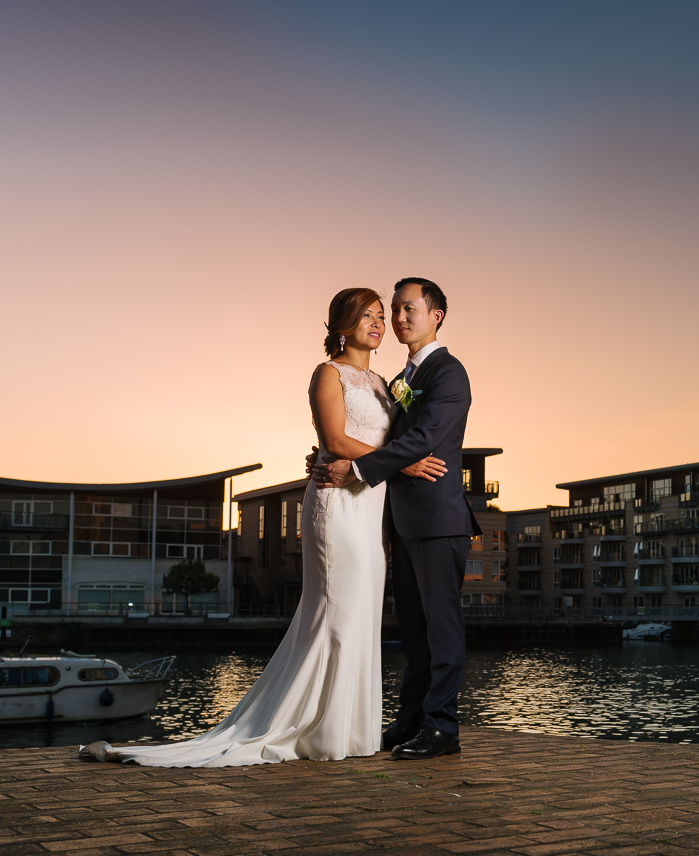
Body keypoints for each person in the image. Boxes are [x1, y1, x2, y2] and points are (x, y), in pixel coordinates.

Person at [79, 287, 443, 767]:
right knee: (335, 614)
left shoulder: (383, 381)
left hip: (369, 509)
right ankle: (315, 727)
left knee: (361, 614)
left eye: (382, 315)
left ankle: (351, 730)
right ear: (340, 324)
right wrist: (401, 466)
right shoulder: (327, 374)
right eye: (367, 315)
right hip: (337, 508)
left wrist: (368, 462)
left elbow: (369, 441)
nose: (378, 323)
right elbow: (334, 438)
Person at [316, 277, 479, 760]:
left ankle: (442, 727)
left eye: (409, 309)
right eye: (394, 310)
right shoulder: (401, 381)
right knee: (413, 630)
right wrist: (328, 454)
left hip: (439, 517)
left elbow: (423, 439)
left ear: (437, 315)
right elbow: (380, 435)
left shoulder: (449, 374)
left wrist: (356, 468)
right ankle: (411, 721)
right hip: (400, 520)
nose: (399, 319)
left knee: (442, 628)